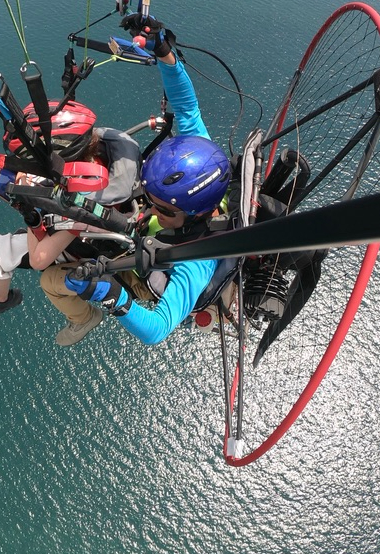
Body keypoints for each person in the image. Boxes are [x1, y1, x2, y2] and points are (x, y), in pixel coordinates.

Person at [40, 16, 232, 346]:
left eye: (162, 209)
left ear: (196, 214)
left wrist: (114, 296)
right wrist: (163, 50)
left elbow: (156, 329)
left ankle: (84, 319)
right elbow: (186, 105)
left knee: (51, 279)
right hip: (150, 240)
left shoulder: (197, 261)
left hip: (147, 269)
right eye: (151, 199)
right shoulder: (200, 155)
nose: (152, 211)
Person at [0, 99, 143, 346]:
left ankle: (76, 316)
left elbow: (39, 259)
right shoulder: (106, 158)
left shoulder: (84, 205)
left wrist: (29, 208)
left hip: (82, 242)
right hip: (93, 226)